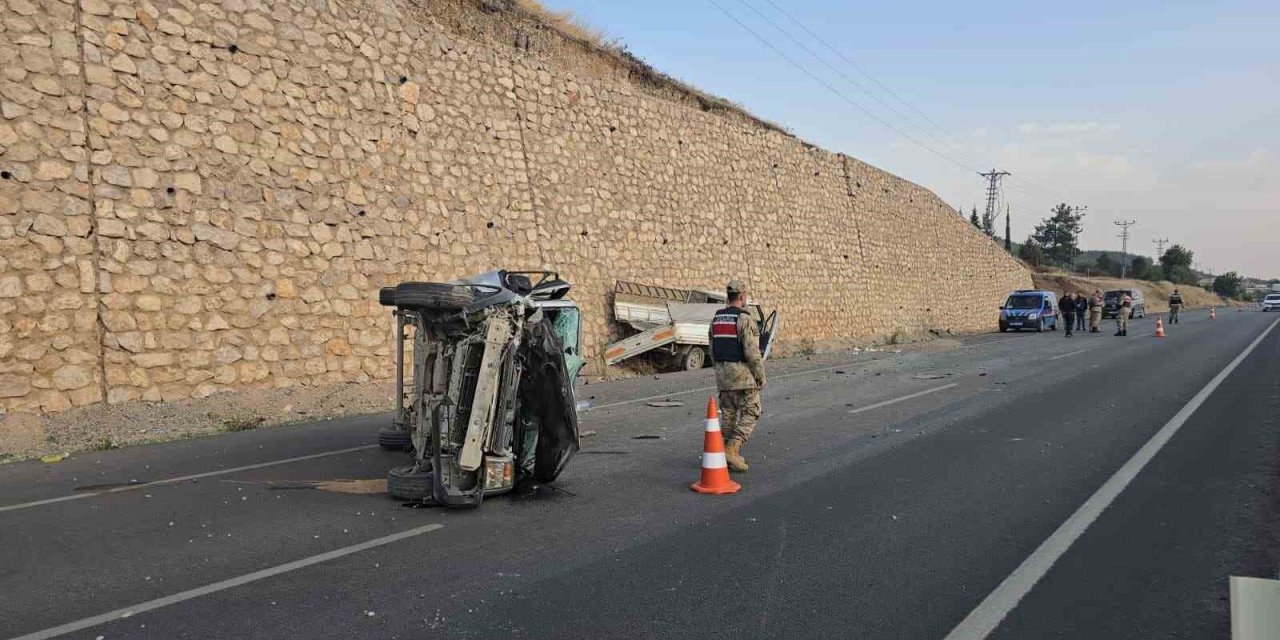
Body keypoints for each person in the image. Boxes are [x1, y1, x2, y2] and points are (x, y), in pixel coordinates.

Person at [707, 279, 766, 472]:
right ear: (741, 296)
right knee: (751, 411)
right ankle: (732, 449)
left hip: (722, 376)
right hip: (742, 375)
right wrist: (760, 375)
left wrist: (720, 370)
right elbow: (752, 352)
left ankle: (722, 453)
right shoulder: (745, 319)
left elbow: (712, 349)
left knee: (729, 416)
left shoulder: (716, 318)